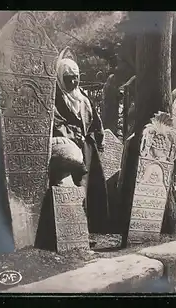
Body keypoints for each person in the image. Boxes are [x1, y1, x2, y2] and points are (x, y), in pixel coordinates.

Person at [52, 58, 110, 234]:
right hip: (67, 148)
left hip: (87, 147)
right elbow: (55, 123)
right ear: (60, 78)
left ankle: (94, 226)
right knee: (75, 185)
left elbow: (95, 122)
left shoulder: (82, 98)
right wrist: (70, 133)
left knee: (91, 184)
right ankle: (75, 228)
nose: (72, 82)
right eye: (68, 77)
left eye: (75, 77)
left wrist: (98, 138)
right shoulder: (55, 98)